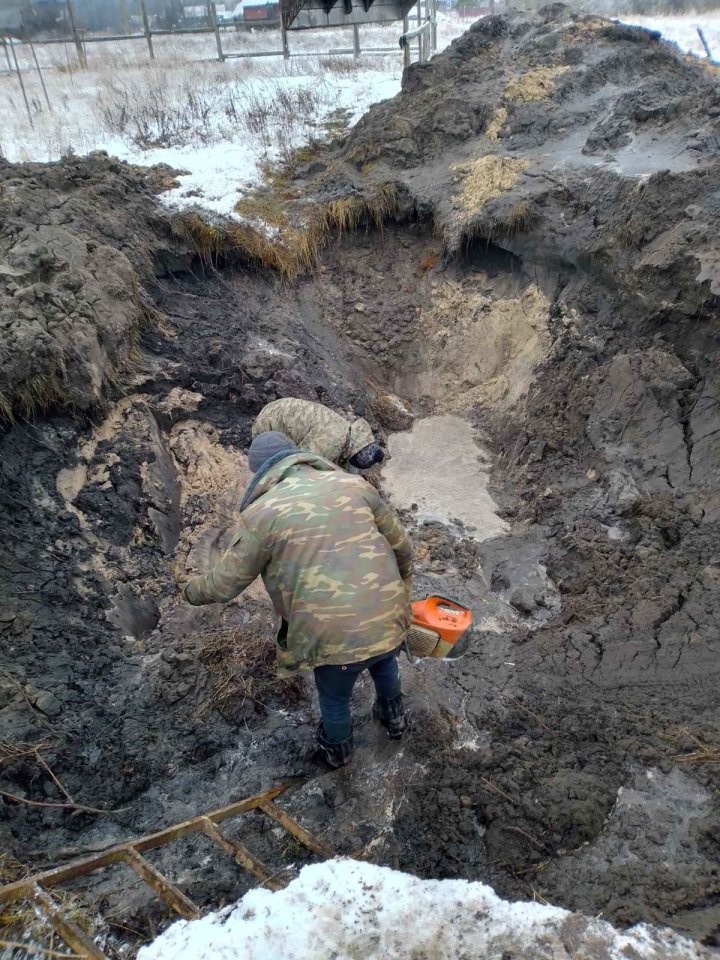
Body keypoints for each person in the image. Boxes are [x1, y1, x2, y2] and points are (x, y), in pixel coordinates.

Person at [183, 431, 412, 768]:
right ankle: (394, 718)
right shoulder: (355, 485)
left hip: (331, 634)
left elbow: (224, 585)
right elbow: (403, 547)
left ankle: (338, 752)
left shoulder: (262, 514)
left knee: (335, 695)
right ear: (299, 457)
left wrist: (189, 591)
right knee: (383, 658)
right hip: (389, 613)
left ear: (260, 472)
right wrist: (401, 595)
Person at [251, 398, 384, 470]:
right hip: (269, 427)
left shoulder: (345, 430)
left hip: (274, 409)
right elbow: (303, 461)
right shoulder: (332, 440)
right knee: (275, 470)